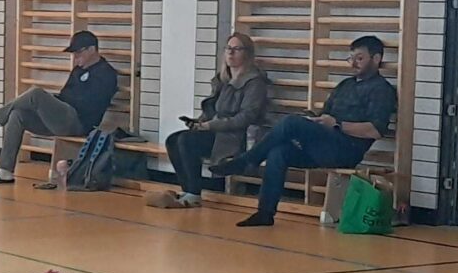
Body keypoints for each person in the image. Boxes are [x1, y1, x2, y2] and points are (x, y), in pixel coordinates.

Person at [211, 34, 397, 228]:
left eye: (360, 58)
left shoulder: (381, 90)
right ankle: (265, 213)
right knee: (278, 152)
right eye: (351, 58)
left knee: (291, 123)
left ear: (376, 59)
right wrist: (314, 119)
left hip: (346, 149)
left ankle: (247, 161)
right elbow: (326, 115)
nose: (354, 63)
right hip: (324, 144)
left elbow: (375, 130)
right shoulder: (345, 85)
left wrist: (338, 124)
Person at [0, 29, 119, 186]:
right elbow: (65, 95)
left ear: (92, 49)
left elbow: (89, 106)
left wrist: (52, 103)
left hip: (79, 122)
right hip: (63, 117)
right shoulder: (78, 70)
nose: (76, 58)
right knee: (17, 114)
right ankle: (5, 170)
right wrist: (51, 105)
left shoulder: (106, 74)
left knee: (36, 94)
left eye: (79, 53)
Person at [152, 31, 273, 211]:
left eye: (237, 49)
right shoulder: (223, 79)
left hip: (235, 137)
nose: (231, 53)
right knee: (173, 139)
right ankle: (187, 190)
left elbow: (246, 118)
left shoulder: (255, 83)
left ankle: (194, 193)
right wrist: (198, 122)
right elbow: (212, 110)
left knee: (186, 140)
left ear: (247, 54)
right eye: (228, 48)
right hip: (217, 131)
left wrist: (209, 125)